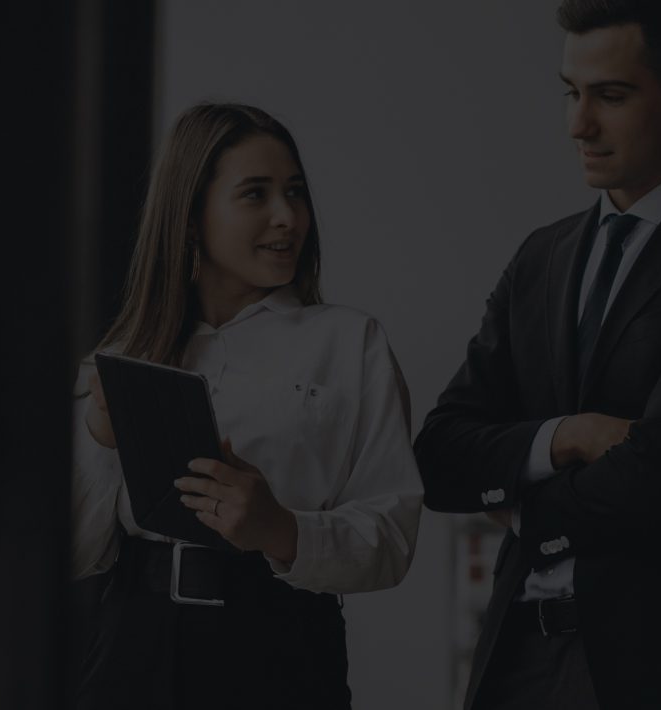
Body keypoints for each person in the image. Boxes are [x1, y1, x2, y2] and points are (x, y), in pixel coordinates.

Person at [414, 1, 661, 707]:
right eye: (572, 92)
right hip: (511, 658)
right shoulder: (541, 257)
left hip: (651, 668)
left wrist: (524, 509)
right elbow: (438, 456)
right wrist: (568, 435)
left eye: (610, 96)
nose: (578, 124)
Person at [68, 103, 423, 710]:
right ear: (190, 216)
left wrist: (281, 529)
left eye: (295, 192)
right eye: (255, 194)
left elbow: (390, 540)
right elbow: (71, 553)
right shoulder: (123, 355)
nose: (288, 217)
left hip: (281, 650)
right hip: (133, 647)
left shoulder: (350, 343)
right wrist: (101, 436)